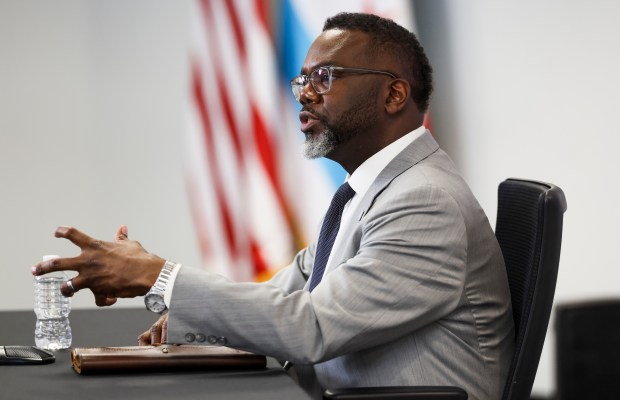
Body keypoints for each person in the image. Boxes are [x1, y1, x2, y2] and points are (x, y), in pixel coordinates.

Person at [32, 12, 514, 400]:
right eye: (302, 78)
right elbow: (292, 291)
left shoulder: (423, 200)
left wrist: (159, 276)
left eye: (325, 77)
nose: (304, 93)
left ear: (393, 93)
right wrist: (189, 317)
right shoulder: (372, 187)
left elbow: (311, 326)